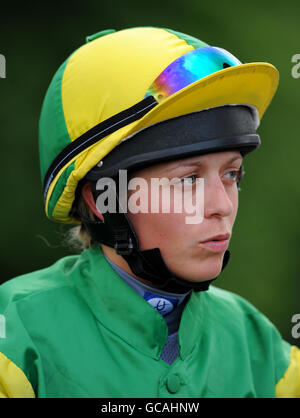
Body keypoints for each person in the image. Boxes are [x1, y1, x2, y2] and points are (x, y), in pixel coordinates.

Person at [0, 26, 299, 398]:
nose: (223, 205)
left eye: (231, 174)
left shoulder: (264, 350)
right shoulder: (14, 338)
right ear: (102, 199)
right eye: (188, 179)